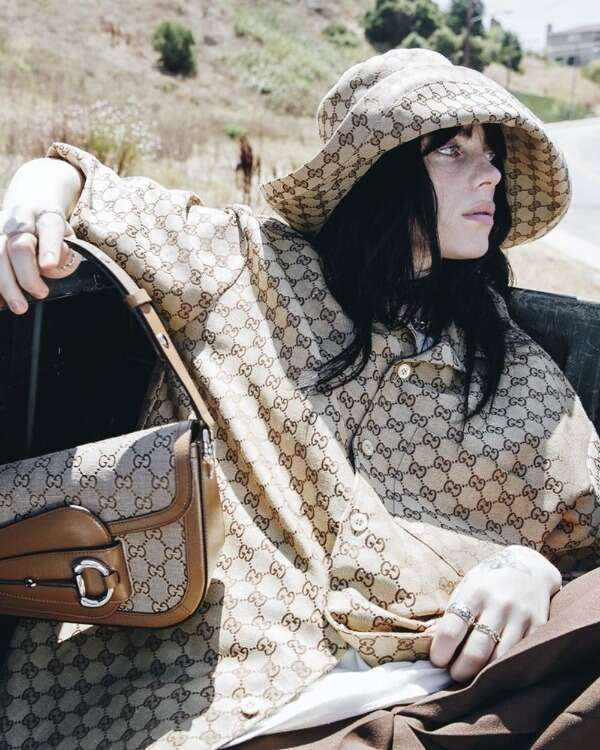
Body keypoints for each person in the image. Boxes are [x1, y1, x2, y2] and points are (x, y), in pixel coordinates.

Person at [0, 48, 598, 750]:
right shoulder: (249, 267)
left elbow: (584, 527)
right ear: (376, 168)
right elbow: (85, 185)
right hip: (236, 700)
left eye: (492, 152)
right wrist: (31, 198)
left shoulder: (511, 363)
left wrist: (532, 570)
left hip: (453, 695)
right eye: (451, 148)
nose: (489, 172)